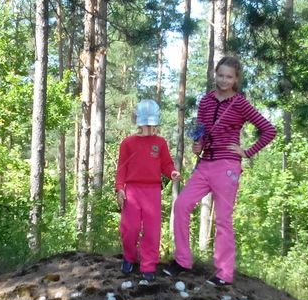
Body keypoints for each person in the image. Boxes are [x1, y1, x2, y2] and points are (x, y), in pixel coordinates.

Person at [163, 55, 277, 286]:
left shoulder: (240, 103)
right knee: (182, 204)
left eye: (229, 77)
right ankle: (183, 261)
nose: (224, 80)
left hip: (227, 166)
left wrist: (247, 151)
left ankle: (224, 273)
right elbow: (202, 133)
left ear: (236, 79)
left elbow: (269, 130)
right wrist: (199, 145)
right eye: (221, 75)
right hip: (205, 164)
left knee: (223, 218)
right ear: (215, 74)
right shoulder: (205, 101)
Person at [115, 99, 181, 282]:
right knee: (130, 228)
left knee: (152, 231)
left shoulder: (160, 143)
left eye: (152, 124)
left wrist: (172, 172)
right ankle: (129, 257)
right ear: (137, 121)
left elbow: (166, 164)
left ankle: (148, 265)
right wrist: (119, 188)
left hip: (152, 191)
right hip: (132, 190)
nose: (149, 127)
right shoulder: (127, 143)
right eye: (145, 123)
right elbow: (122, 168)